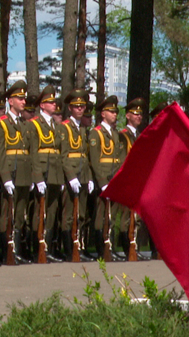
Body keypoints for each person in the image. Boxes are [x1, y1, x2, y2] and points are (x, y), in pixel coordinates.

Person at [0, 81, 33, 264]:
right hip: (10, 172)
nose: (23, 101)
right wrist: (5, 177)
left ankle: (15, 250)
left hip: (23, 173)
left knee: (20, 214)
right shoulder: (1, 123)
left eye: (24, 98)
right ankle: (4, 250)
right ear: (10, 101)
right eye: (20, 98)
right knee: (6, 214)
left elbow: (29, 151)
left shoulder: (25, 124)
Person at [28, 86, 64, 263]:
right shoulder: (34, 124)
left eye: (54, 101)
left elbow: (59, 150)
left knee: (52, 211)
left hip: (55, 172)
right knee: (39, 212)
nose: (54, 104)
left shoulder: (55, 125)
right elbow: (33, 153)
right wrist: (37, 177)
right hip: (42, 172)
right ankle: (38, 247)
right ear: (42, 105)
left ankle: (47, 248)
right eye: (50, 102)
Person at [88, 95, 124, 262]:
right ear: (103, 114)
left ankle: (110, 246)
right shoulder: (96, 134)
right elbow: (95, 161)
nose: (114, 114)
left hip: (114, 179)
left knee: (112, 215)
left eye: (115, 111)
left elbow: (117, 158)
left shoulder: (115, 134)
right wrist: (102, 183)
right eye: (111, 111)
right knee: (100, 216)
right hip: (102, 180)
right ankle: (100, 248)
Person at [59, 89, 94, 262]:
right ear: (70, 108)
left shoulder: (82, 128)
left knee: (81, 214)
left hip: (83, 175)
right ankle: (68, 250)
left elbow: (84, 155)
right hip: (71, 177)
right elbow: (64, 155)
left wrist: (88, 177)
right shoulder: (65, 127)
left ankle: (78, 247)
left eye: (82, 106)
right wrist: (71, 176)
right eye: (76, 106)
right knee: (68, 215)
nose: (80, 109)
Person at [118, 97, 145, 261]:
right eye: (135, 114)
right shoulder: (123, 135)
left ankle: (135, 246)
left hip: (138, 180)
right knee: (125, 217)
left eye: (140, 114)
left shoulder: (140, 135)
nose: (138, 117)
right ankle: (125, 247)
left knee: (138, 217)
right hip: (128, 180)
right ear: (128, 116)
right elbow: (122, 159)